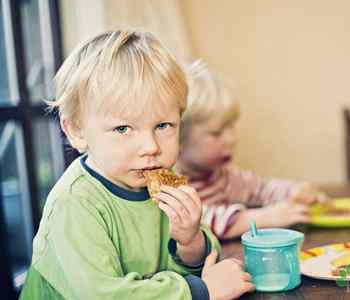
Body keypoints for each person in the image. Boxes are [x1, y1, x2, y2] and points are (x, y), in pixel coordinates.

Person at [20, 30, 254, 300]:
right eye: (123, 129)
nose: (151, 147)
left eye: (163, 125)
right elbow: (101, 296)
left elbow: (191, 263)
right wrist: (201, 291)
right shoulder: (74, 205)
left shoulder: (162, 180)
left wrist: (190, 241)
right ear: (76, 131)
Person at [176, 60, 327, 239]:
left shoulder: (223, 175)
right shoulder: (171, 186)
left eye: (231, 128)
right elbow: (202, 221)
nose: (232, 139)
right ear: (178, 139)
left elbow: (260, 188)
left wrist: (294, 192)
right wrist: (267, 217)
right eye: (216, 133)